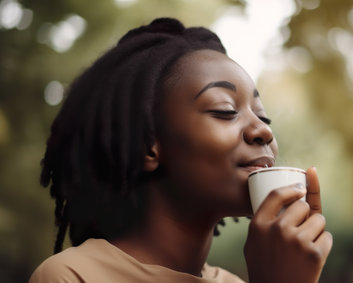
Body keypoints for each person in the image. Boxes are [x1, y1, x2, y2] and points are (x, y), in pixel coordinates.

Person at [29, 18, 332, 283]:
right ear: (149, 145)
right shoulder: (70, 276)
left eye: (263, 116)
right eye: (224, 110)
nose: (264, 130)